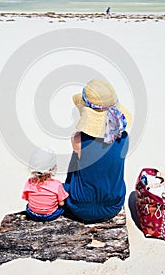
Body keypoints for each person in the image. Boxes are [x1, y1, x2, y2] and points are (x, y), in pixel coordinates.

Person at [64, 79, 131, 223]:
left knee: (77, 159)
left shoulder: (78, 139)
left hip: (79, 206)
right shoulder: (124, 138)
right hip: (113, 206)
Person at [22, 148, 69, 221]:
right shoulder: (57, 184)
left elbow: (26, 198)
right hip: (50, 215)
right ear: (53, 168)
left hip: (32, 214)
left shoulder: (29, 182)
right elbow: (61, 203)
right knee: (63, 207)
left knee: (28, 206)